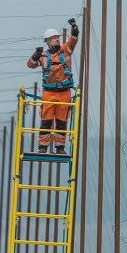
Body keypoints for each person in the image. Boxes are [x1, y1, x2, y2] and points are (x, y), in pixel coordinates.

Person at [25, 18, 80, 154]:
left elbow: (74, 37)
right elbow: (30, 64)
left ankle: (60, 147)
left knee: (61, 121)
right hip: (49, 93)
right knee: (46, 120)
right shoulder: (43, 56)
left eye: (57, 37)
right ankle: (42, 147)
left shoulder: (65, 50)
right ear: (47, 41)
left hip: (64, 92)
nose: (56, 39)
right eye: (53, 38)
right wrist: (36, 54)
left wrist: (73, 26)